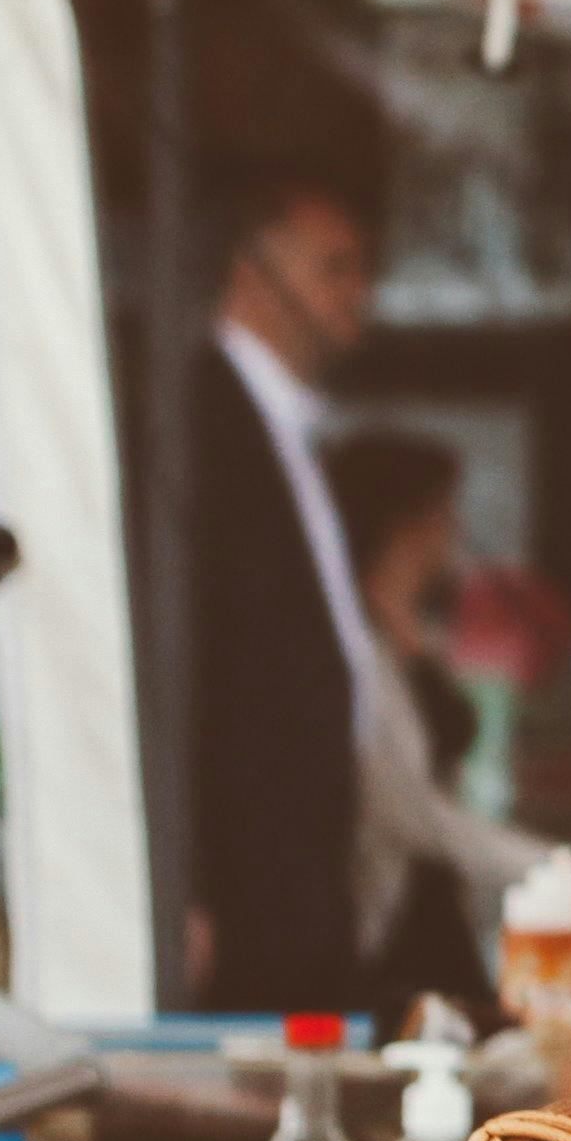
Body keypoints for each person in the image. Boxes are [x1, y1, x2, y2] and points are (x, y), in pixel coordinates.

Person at [185, 171, 381, 1011]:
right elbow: (183, 656)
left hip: (301, 874)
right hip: (238, 883)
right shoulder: (199, 416)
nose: (356, 294)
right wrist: (185, 881)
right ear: (251, 272)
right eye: (331, 268)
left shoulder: (286, 426)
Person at [325, 426, 551, 1025]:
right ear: (409, 522)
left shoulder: (412, 630)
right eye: (446, 511)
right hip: (397, 917)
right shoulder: (356, 644)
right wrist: (541, 867)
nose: (455, 529)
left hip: (435, 905)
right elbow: (403, 805)